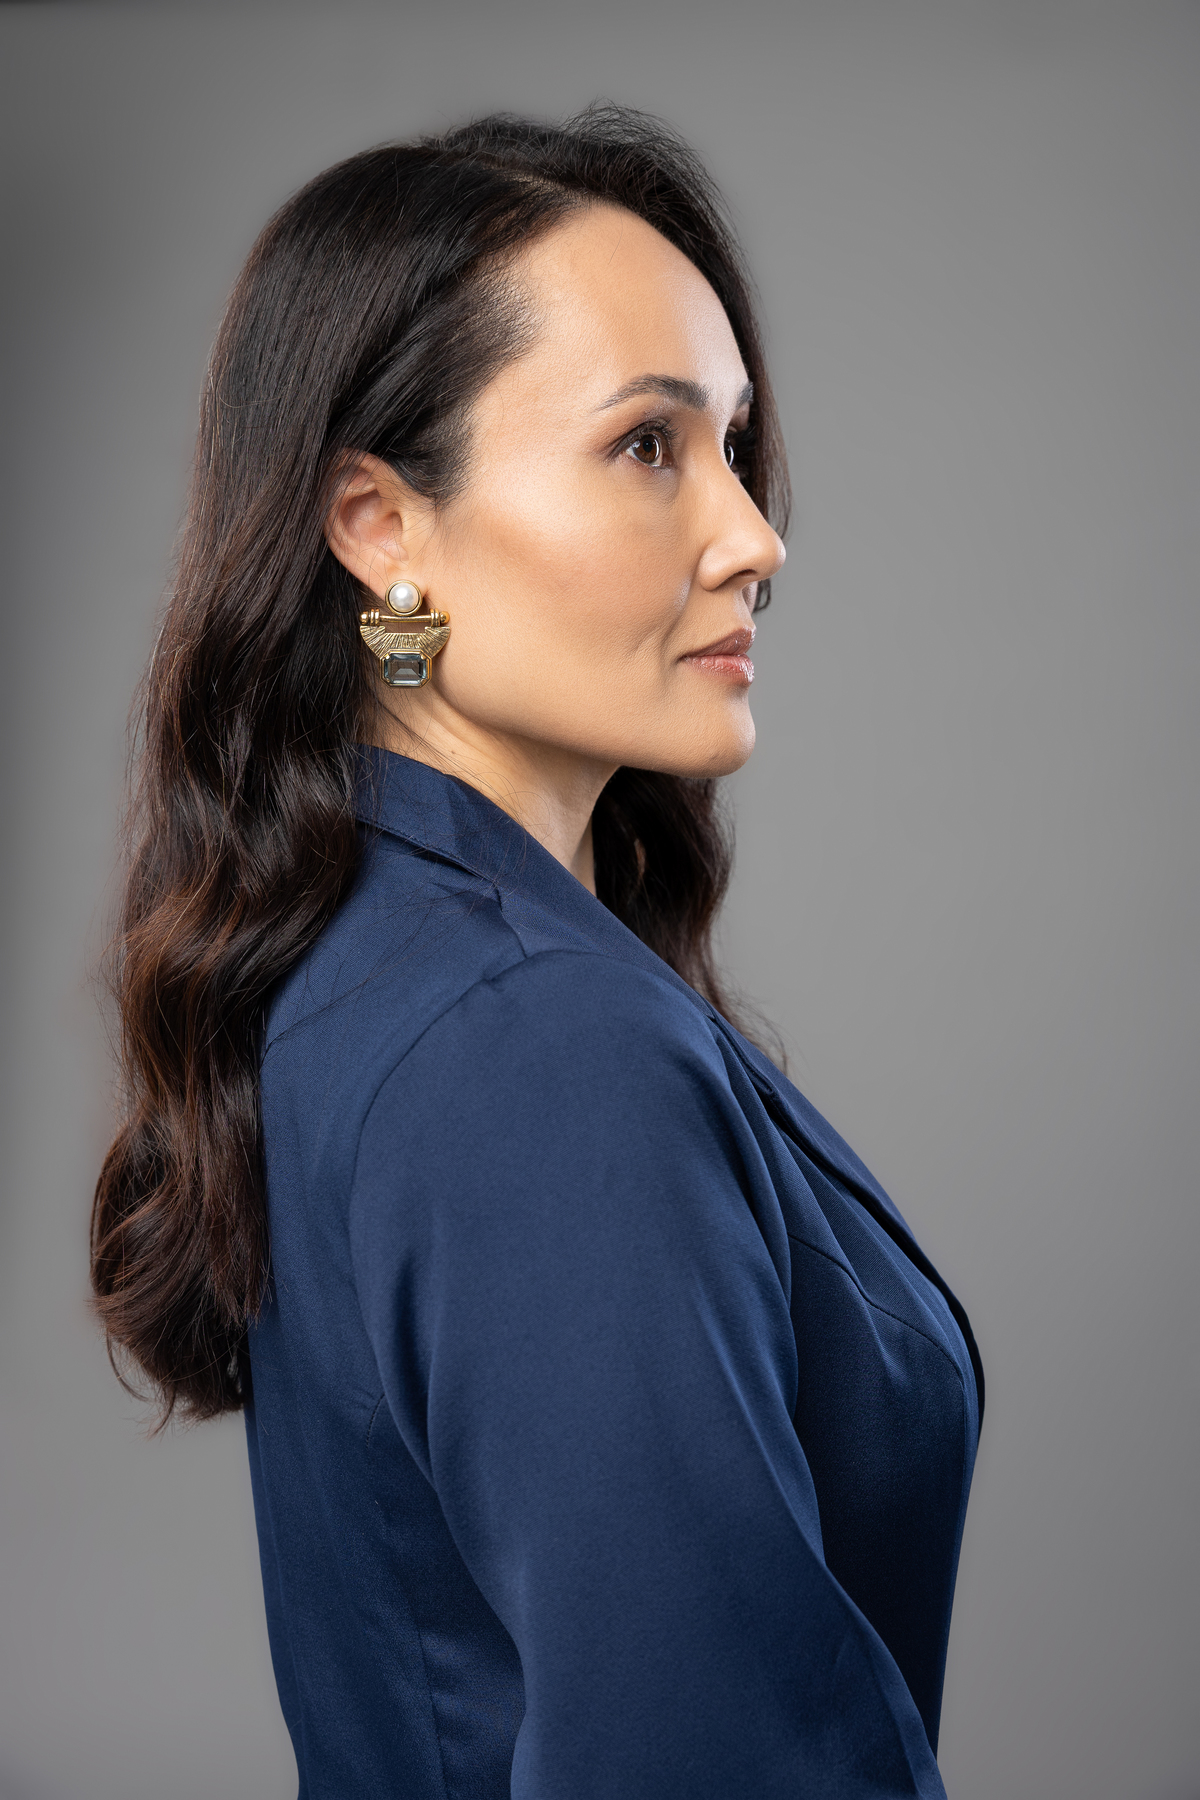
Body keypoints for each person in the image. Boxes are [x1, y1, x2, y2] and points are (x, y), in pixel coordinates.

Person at [92, 106, 982, 1799]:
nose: (754, 535)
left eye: (732, 443)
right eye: (647, 446)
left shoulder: (380, 954)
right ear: (381, 525)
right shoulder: (534, 1047)